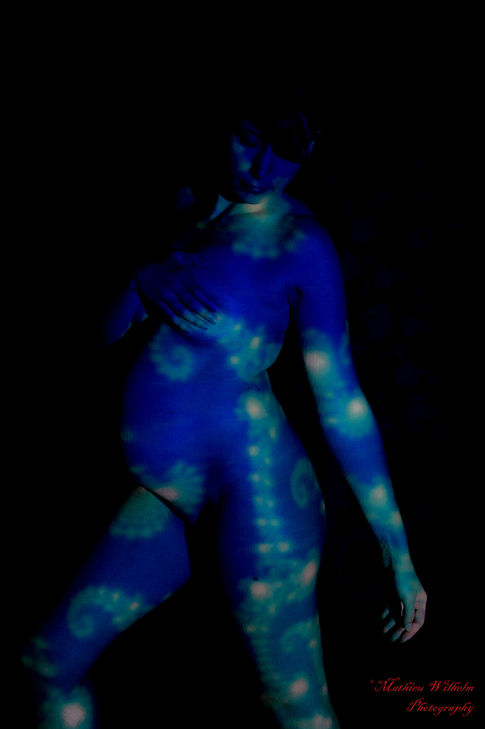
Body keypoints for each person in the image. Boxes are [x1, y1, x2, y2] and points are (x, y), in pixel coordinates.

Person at [22, 79, 427, 729]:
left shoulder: (298, 243)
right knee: (48, 663)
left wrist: (397, 555)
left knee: (296, 710)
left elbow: (342, 401)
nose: (264, 168)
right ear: (224, 121)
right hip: (165, 493)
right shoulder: (176, 205)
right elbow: (88, 341)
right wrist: (137, 274)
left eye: (288, 153)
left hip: (256, 494)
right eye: (250, 140)